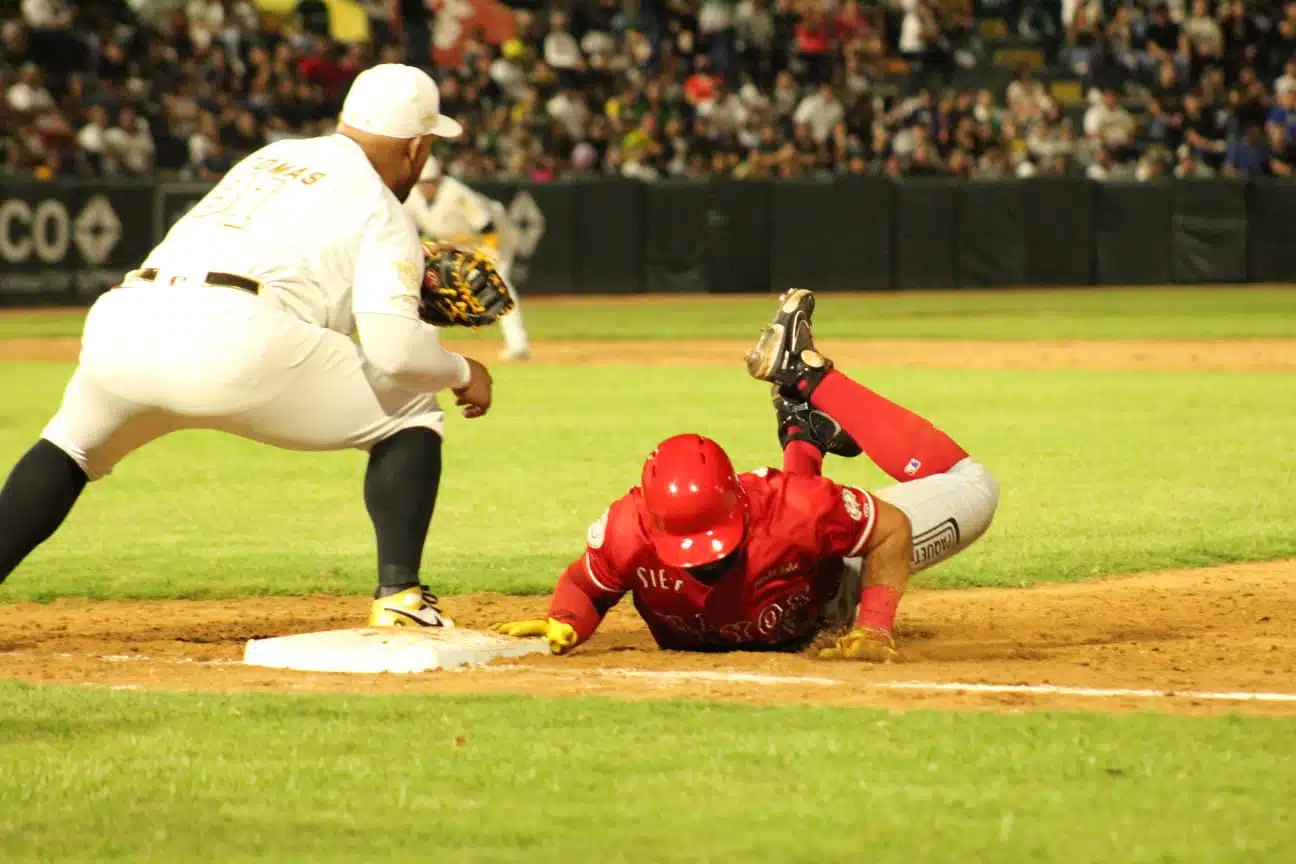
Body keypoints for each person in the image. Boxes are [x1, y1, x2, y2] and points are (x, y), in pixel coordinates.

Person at [0, 65, 490, 628]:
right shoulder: (382, 206)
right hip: (233, 337)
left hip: (126, 317)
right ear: (416, 147)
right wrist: (460, 370)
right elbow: (396, 352)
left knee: (69, 448)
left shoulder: (270, 159)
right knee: (411, 410)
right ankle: (401, 597)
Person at [492, 290, 1001, 660]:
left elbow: (891, 528)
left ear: (741, 507)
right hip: (793, 572)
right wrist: (566, 620)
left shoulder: (787, 509)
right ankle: (804, 425)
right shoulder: (627, 531)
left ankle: (809, 378)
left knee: (973, 482)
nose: (705, 561)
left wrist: (873, 627)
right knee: (798, 528)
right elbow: (585, 587)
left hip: (835, 585)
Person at [405, 157, 531, 361]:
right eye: (420, 183)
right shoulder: (413, 198)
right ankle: (424, 348)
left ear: (438, 180)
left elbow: (487, 228)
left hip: (492, 237)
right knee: (430, 287)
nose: (423, 188)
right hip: (455, 243)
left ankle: (518, 345)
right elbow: (412, 230)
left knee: (498, 285)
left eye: (427, 182)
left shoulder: (456, 193)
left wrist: (489, 259)